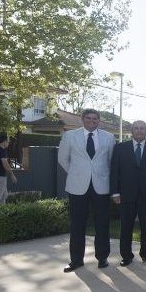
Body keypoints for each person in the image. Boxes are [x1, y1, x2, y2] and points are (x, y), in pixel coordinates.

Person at [58, 109, 115, 271]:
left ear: (99, 121)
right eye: (88, 118)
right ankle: (76, 260)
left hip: (101, 186)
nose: (92, 121)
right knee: (77, 225)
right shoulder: (70, 136)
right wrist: (77, 173)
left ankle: (102, 258)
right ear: (82, 119)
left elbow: (111, 161)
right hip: (77, 186)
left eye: (95, 118)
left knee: (102, 224)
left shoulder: (109, 137)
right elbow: (62, 158)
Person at [110, 121, 146, 266]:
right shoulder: (120, 148)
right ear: (131, 131)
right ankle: (126, 256)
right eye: (136, 128)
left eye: (142, 128)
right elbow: (114, 171)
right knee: (126, 227)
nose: (139, 131)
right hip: (126, 195)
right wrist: (115, 193)